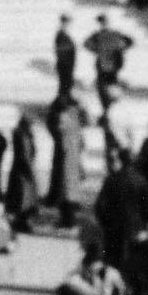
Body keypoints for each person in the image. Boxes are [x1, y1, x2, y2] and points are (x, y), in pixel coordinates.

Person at [94, 152, 148, 280]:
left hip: (113, 228)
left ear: (120, 161)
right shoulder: (141, 181)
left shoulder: (112, 179)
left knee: (113, 263)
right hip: (135, 228)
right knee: (132, 264)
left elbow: (99, 205)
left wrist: (104, 222)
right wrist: (144, 225)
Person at [46, 89, 87, 229]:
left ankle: (67, 220)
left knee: (65, 190)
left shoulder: (64, 117)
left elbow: (60, 134)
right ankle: (69, 219)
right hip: (74, 157)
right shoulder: (75, 117)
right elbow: (82, 142)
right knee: (71, 190)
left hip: (66, 157)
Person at [86, 11, 133, 105]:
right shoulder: (113, 34)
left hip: (105, 64)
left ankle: (107, 101)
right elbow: (129, 42)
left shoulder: (100, 34)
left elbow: (87, 44)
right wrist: (120, 49)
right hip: (111, 64)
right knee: (109, 83)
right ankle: (109, 101)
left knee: (105, 84)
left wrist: (97, 50)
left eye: (102, 22)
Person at [6, 109, 41, 232]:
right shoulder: (20, 134)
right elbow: (22, 154)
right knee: (22, 198)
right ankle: (20, 222)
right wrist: (28, 169)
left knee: (25, 198)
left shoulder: (27, 134)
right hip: (22, 171)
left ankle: (22, 221)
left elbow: (31, 152)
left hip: (26, 169)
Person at [54, 14, 77, 98]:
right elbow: (60, 49)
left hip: (67, 63)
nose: (68, 24)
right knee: (65, 83)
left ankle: (65, 98)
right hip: (64, 63)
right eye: (66, 22)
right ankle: (63, 100)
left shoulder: (64, 34)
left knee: (67, 83)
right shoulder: (61, 34)